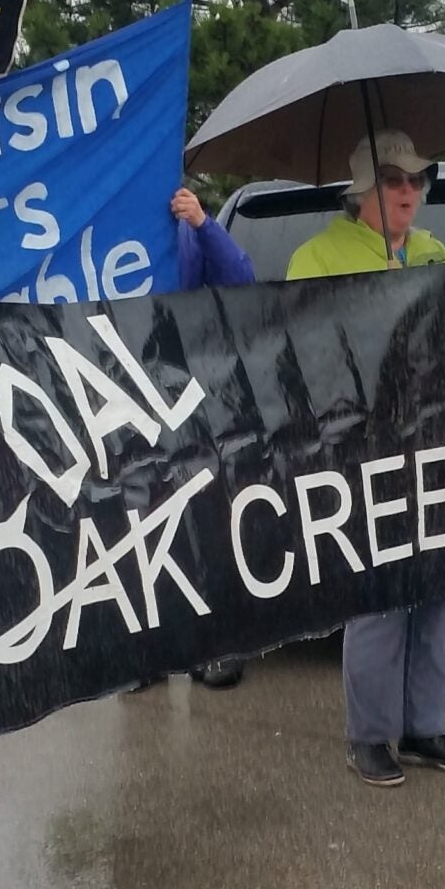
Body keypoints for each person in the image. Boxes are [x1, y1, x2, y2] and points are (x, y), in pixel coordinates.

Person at [286, 130, 445, 786]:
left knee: (436, 594)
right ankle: (370, 736)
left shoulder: (433, 252)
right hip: (362, 450)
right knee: (377, 596)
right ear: (362, 193)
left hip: (435, 447)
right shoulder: (316, 256)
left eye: (416, 180)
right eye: (394, 180)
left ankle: (424, 727)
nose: (409, 192)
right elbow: (299, 351)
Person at [168, 185, 258, 689]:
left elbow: (240, 278)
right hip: (121, 393)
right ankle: (145, 655)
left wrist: (203, 223)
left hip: (191, 398)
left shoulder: (187, 226)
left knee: (208, 520)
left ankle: (218, 644)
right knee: (137, 520)